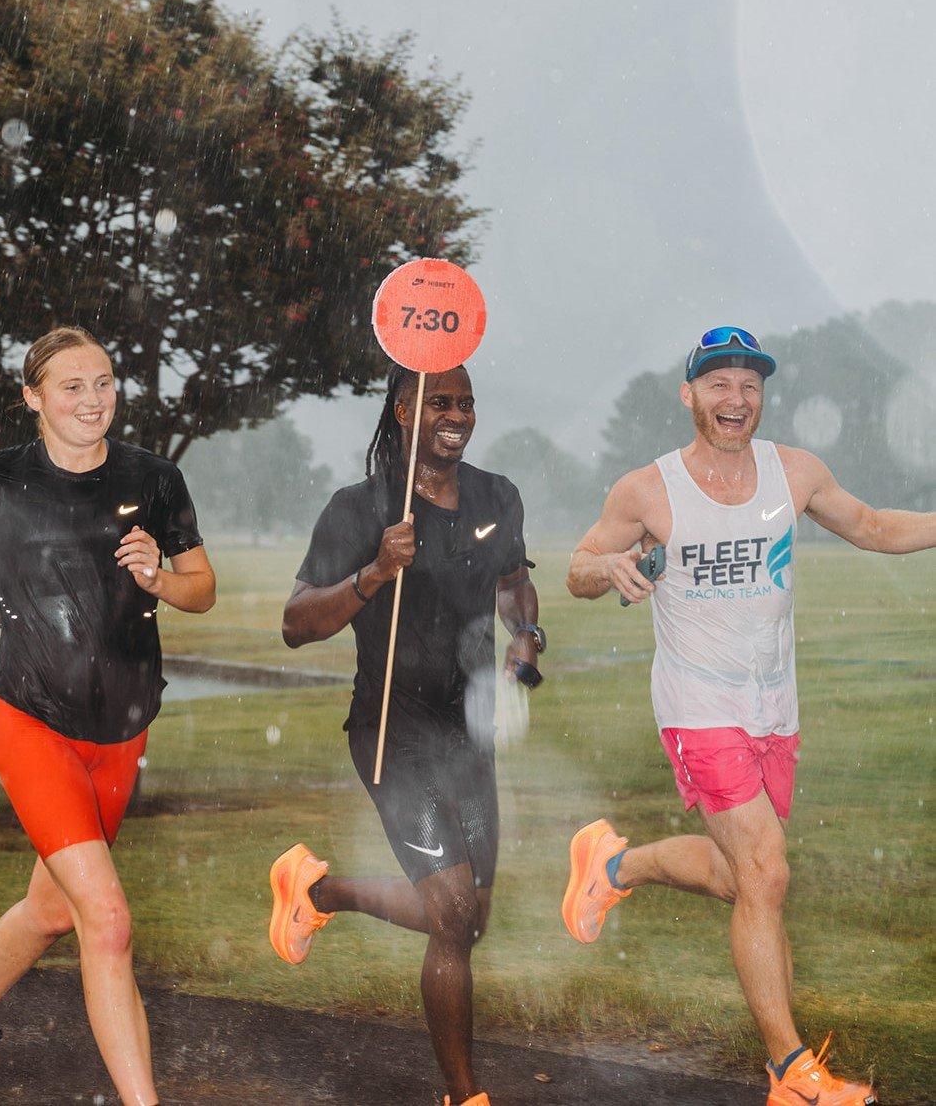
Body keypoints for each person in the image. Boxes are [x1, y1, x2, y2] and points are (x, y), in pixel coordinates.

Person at [562, 325, 936, 1106]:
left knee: (745, 882)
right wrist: (608, 565)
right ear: (688, 394)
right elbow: (577, 570)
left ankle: (611, 866)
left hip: (773, 706)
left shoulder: (793, 472)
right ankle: (789, 1074)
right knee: (766, 872)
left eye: (749, 385)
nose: (736, 399)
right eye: (718, 384)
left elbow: (867, 526)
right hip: (697, 705)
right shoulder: (647, 489)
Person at [0, 327, 215, 1106]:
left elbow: (200, 584)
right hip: (31, 718)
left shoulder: (155, 478)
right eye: (71, 387)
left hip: (123, 729)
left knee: (50, 913)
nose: (92, 400)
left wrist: (160, 580)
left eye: (103, 382)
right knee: (107, 919)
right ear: (33, 397)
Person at [270, 364, 545, 1106]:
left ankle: (320, 891)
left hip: (469, 734)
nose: (456, 416)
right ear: (402, 412)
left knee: (468, 920)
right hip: (391, 731)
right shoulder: (359, 508)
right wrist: (373, 573)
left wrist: (526, 637)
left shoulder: (496, 496)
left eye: (465, 403)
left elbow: (514, 581)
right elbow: (296, 625)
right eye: (439, 403)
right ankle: (463, 1094)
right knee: (450, 915)